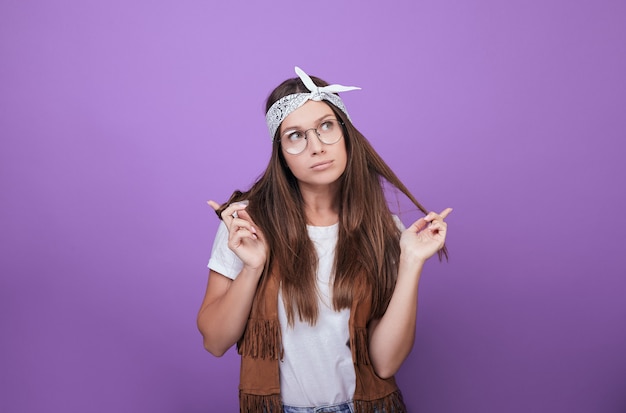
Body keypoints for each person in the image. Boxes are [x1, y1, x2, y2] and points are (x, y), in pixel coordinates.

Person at [197, 66, 452, 413]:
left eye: (326, 126)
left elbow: (386, 364)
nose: (316, 147)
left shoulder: (382, 228)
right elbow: (214, 341)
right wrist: (253, 268)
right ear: (282, 155)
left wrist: (410, 262)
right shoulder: (246, 224)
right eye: (296, 135)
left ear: (346, 134)